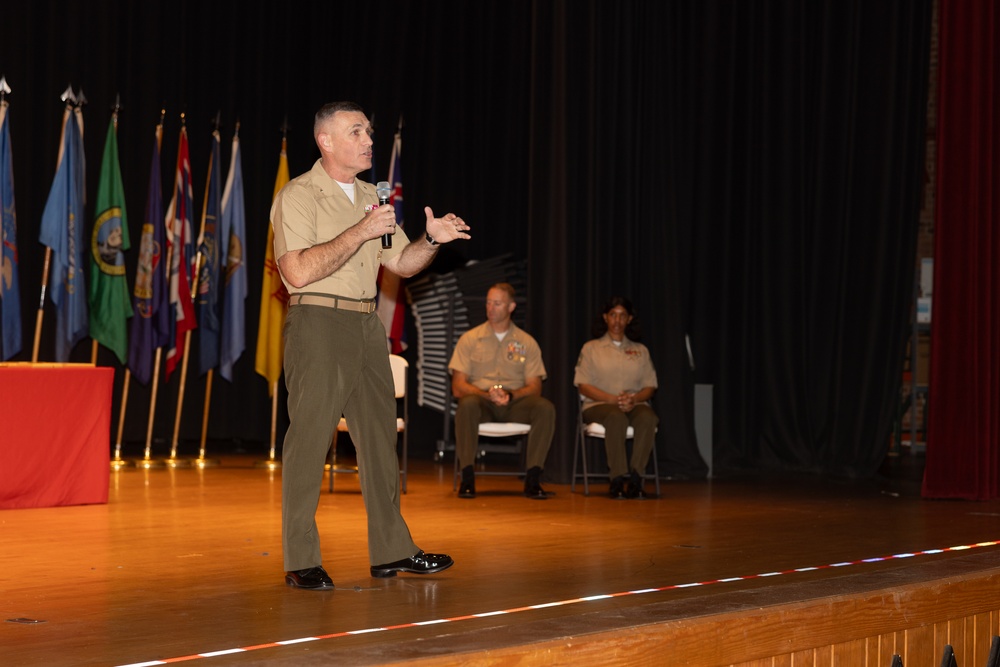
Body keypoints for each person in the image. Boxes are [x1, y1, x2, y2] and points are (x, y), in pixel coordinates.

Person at [271, 101, 470, 590]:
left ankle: (392, 551)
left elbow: (401, 263)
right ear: (326, 141)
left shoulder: (371, 197)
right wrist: (362, 229)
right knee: (310, 441)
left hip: (365, 325)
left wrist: (432, 239)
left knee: (381, 442)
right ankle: (301, 557)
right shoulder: (298, 195)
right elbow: (295, 271)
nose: (368, 140)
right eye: (356, 131)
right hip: (317, 321)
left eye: (369, 131)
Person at [449, 282, 556, 500]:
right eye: (488, 303)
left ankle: (533, 479)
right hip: (481, 400)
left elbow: (535, 386)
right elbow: (458, 386)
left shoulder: (527, 342)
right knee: (466, 403)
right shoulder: (469, 339)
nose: (490, 308)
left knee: (545, 408)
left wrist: (512, 395)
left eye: (497, 303)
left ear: (511, 307)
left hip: (514, 401)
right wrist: (486, 394)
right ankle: (467, 477)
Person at [574, 296, 659, 499]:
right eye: (613, 315)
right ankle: (617, 479)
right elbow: (583, 385)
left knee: (648, 418)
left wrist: (635, 399)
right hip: (599, 405)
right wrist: (612, 400)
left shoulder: (641, 350)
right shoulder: (591, 348)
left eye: (622, 316)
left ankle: (637, 479)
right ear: (605, 318)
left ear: (629, 319)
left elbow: (651, 387)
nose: (617, 321)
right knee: (616, 417)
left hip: (634, 404)